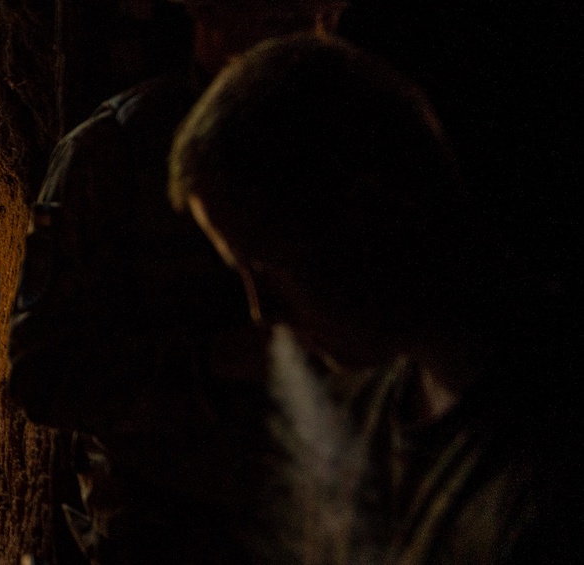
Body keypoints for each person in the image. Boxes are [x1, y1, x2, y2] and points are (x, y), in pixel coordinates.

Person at [169, 33, 579, 563]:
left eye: (267, 268)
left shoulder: (547, 472)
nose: (260, 311)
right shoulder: (374, 404)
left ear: (376, 219)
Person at [6, 1, 347, 562]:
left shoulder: (364, 139)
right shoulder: (113, 153)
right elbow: (43, 374)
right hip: (167, 532)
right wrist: (215, 362)